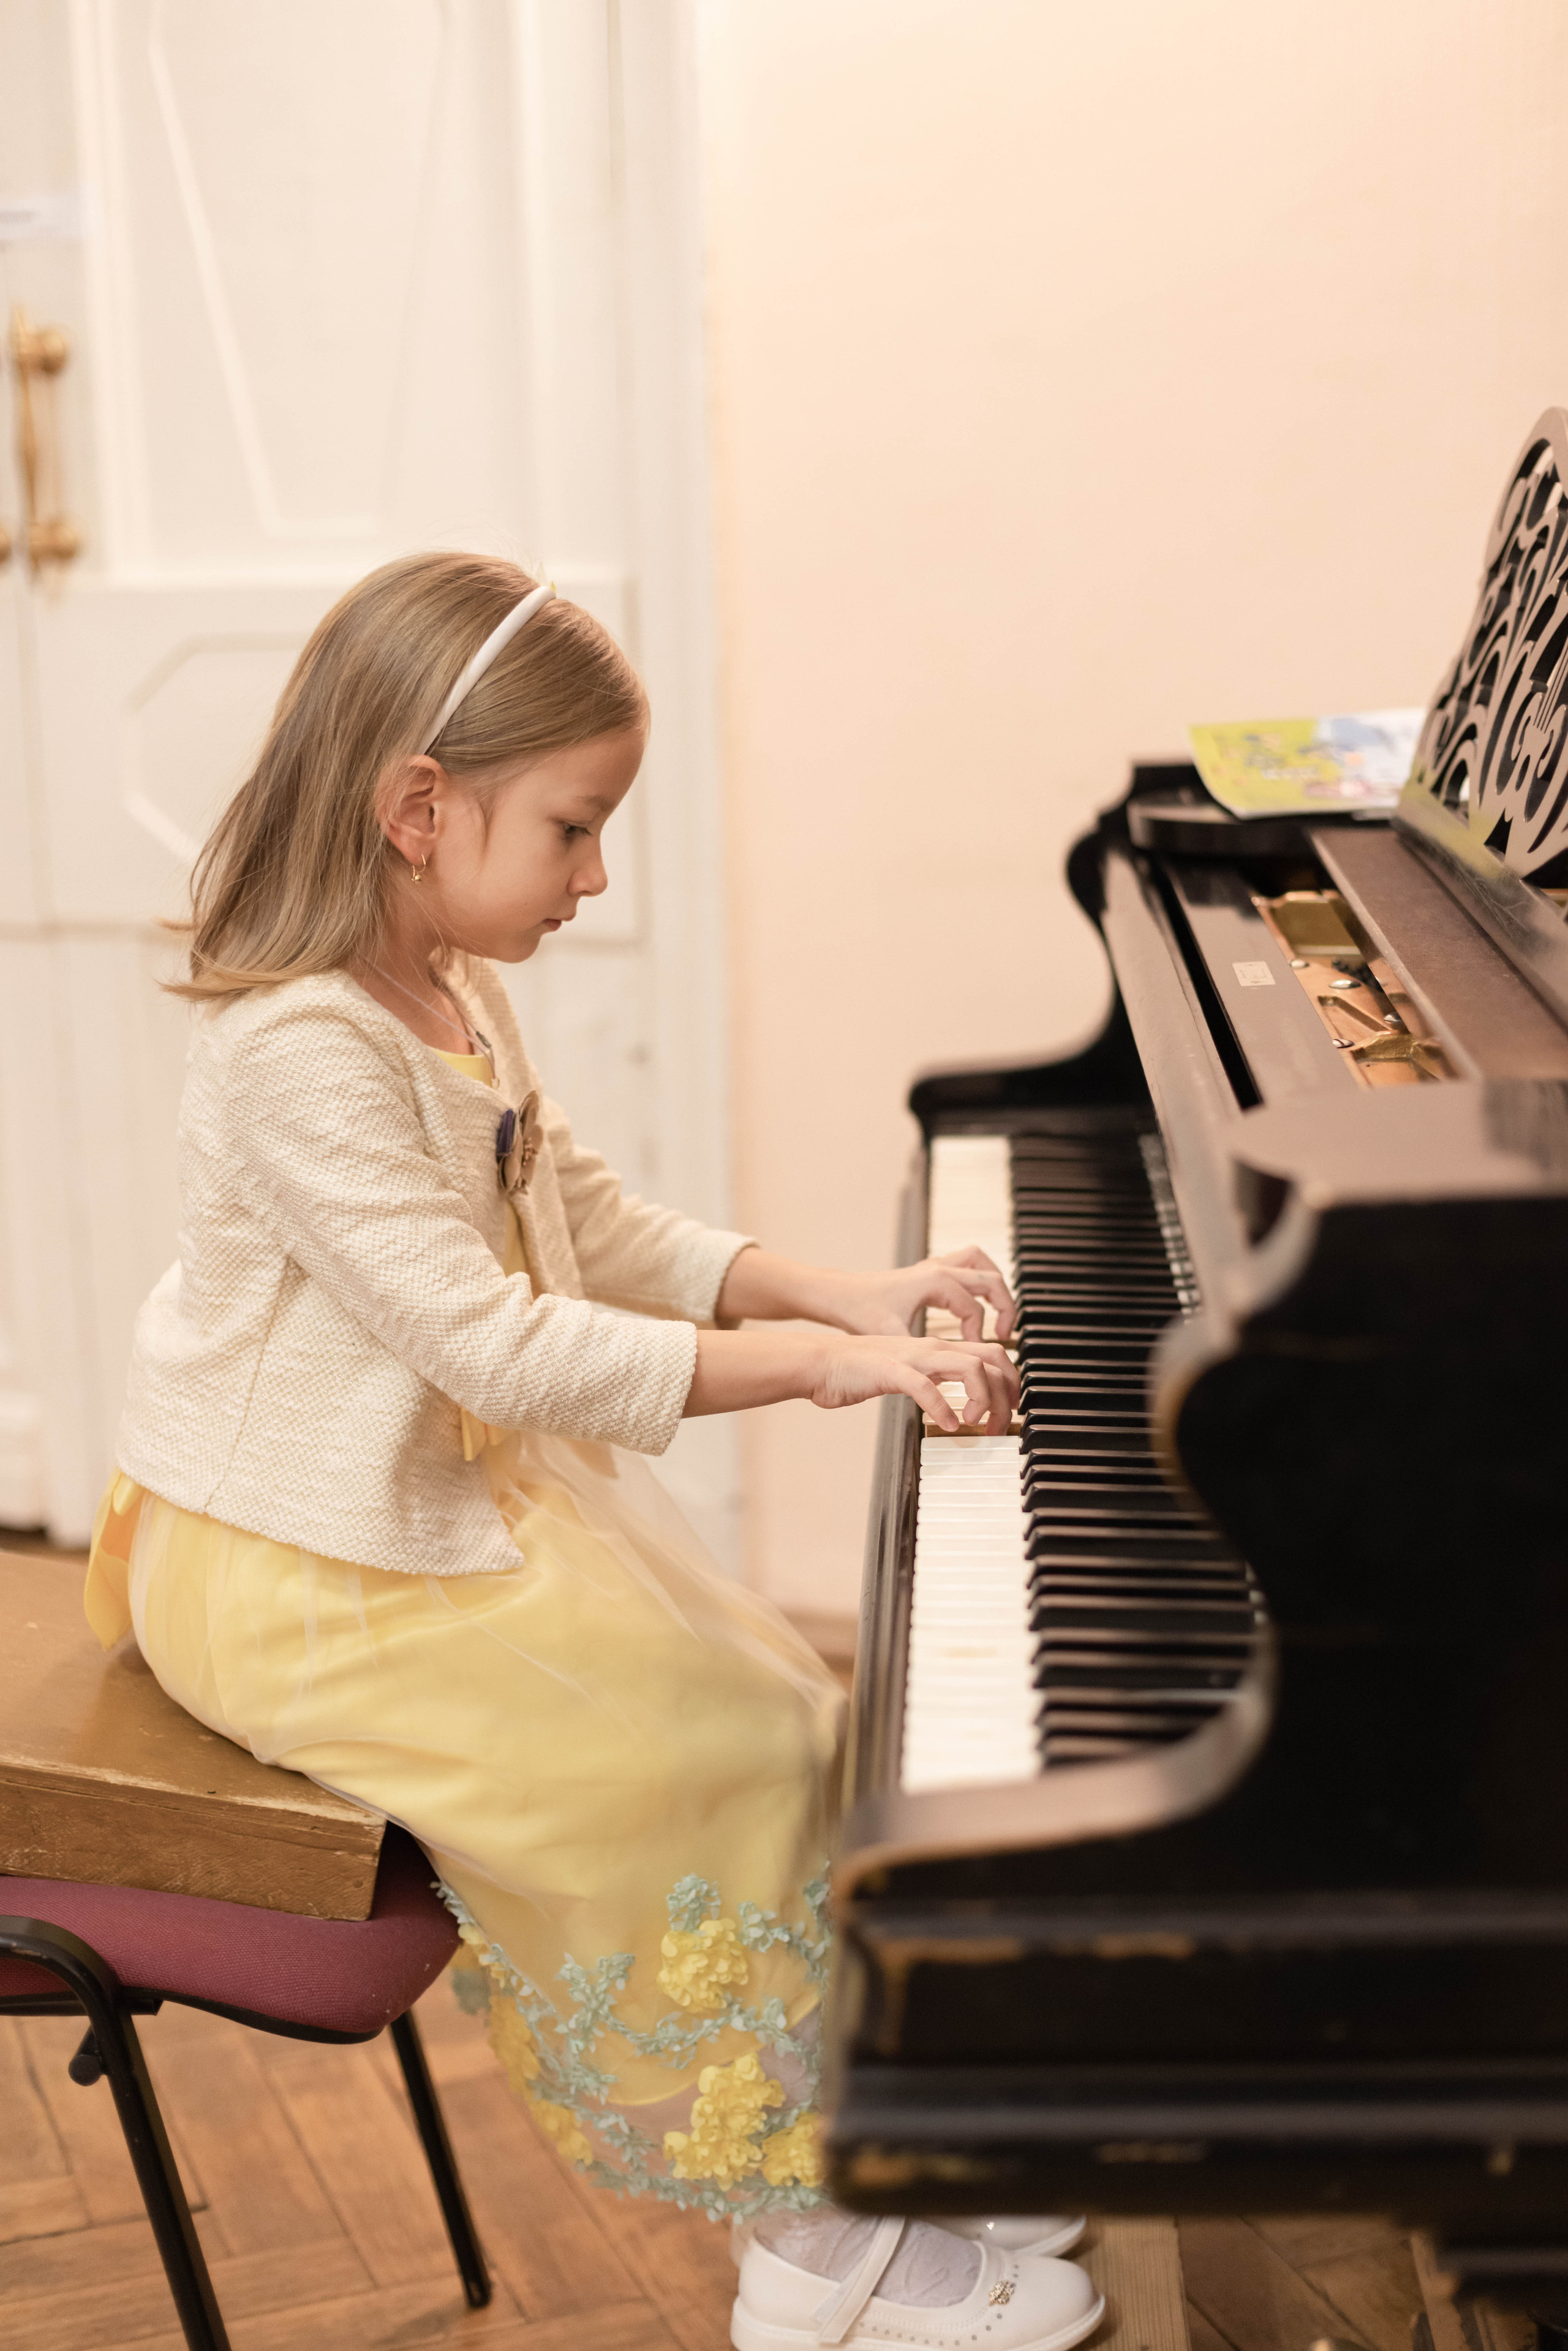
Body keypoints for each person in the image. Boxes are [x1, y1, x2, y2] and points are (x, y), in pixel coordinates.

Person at [83, 554, 1104, 2351]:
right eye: (574, 827)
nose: (597, 874)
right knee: (691, 1758)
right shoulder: (296, 1050)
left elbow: (585, 1223)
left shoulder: (447, 991)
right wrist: (815, 1367)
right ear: (419, 809)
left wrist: (845, 1289)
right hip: (297, 1564)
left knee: (796, 1714)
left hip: (428, 1506)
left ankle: (862, 2140)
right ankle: (799, 2244)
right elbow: (489, 1336)